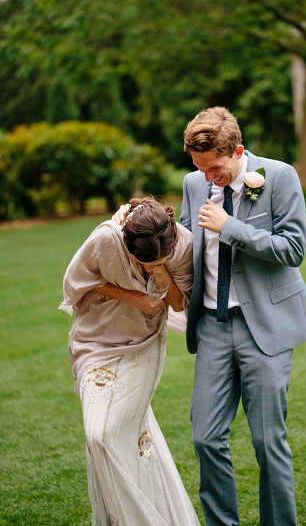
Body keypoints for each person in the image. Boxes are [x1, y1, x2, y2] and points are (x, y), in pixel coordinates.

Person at [181, 107, 306, 525]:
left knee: (267, 442)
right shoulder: (193, 183)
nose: (208, 178)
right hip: (212, 325)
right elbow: (188, 244)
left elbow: (293, 249)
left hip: (266, 327)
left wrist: (231, 227)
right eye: (200, 168)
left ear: (238, 151)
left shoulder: (278, 176)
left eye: (216, 169)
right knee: (205, 437)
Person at [61, 197, 199, 525]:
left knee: (123, 434)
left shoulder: (183, 246)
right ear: (127, 244)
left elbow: (180, 305)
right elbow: (76, 282)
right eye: (143, 261)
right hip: (95, 340)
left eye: (160, 259)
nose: (148, 267)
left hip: (143, 344)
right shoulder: (106, 238)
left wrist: (159, 270)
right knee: (101, 436)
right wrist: (132, 295)